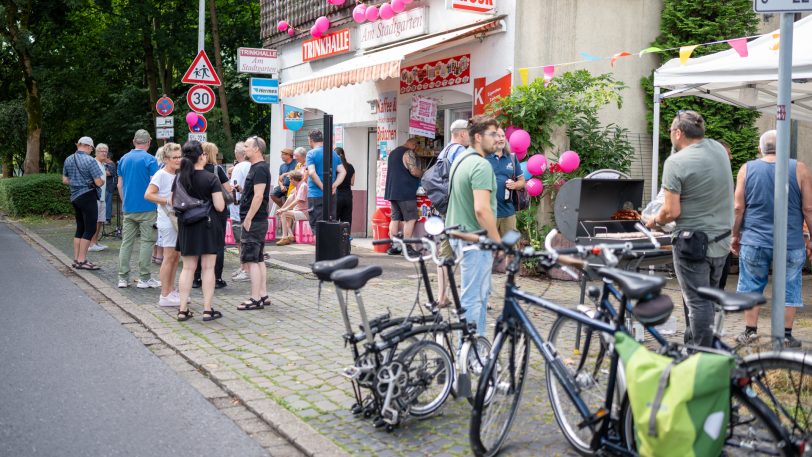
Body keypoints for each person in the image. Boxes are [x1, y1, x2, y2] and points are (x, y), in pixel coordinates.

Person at [646, 110, 734, 347]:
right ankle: (697, 346)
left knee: (697, 303)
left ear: (678, 133)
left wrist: (653, 220)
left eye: (671, 133)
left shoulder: (675, 162)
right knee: (710, 299)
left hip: (694, 244)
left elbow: (672, 212)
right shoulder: (718, 149)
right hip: (722, 241)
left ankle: (701, 358)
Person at [732, 130, 812, 348]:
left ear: (760, 149)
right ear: (785, 146)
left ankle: (750, 332)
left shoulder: (746, 169)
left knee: (751, 285)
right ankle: (786, 335)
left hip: (754, 240)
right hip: (790, 241)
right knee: (790, 285)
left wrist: (734, 234)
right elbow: (808, 208)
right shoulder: (800, 168)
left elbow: (738, 207)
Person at [446, 115, 501, 336]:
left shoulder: (461, 160)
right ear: (478, 137)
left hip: (459, 233)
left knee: (478, 294)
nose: (497, 139)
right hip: (474, 238)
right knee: (474, 298)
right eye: (492, 134)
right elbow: (482, 209)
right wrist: (497, 240)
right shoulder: (480, 165)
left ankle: (476, 348)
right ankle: (469, 354)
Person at [174, 141, 226, 322]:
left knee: (188, 268)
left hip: (187, 226)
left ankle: (182, 309)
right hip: (207, 226)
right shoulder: (210, 178)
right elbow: (220, 206)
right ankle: (207, 309)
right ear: (201, 156)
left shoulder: (179, 177)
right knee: (208, 268)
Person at [117, 129, 161, 289]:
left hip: (128, 207)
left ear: (134, 141)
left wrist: (125, 202)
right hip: (147, 207)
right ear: (148, 142)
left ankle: (122, 278)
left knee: (126, 243)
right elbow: (154, 185)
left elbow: (119, 185)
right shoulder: (150, 160)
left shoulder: (123, 159)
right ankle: (144, 278)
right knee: (146, 242)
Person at [436, 119, 471, 307]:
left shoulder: (445, 150)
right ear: (462, 134)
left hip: (444, 208)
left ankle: (442, 296)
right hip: (456, 209)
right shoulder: (460, 152)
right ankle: (467, 299)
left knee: (445, 252)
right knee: (466, 252)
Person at [144, 142, 183, 307]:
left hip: (176, 219)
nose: (178, 159)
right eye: (174, 157)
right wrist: (167, 200)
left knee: (175, 257)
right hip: (167, 221)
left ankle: (171, 289)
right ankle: (164, 294)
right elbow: (148, 194)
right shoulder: (161, 174)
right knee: (168, 257)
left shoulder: (177, 174)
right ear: (166, 158)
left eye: (180, 156)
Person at [236, 136, 272, 311]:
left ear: (257, 149)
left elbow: (259, 196)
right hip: (257, 219)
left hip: (255, 220)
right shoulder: (258, 168)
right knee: (258, 259)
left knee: (251, 259)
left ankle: (255, 298)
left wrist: (248, 218)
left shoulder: (259, 169)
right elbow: (255, 194)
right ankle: (263, 295)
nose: (245, 148)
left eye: (247, 146)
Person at [192, 142, 231, 289]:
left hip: (197, 211)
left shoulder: (193, 170)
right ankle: (217, 278)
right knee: (218, 244)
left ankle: (196, 279)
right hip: (216, 211)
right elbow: (227, 189)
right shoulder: (217, 169)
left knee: (199, 244)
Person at [486, 127, 526, 273]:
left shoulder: (512, 158)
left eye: (503, 135)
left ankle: (511, 279)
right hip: (489, 212)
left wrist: (515, 185)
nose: (502, 138)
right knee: (486, 247)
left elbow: (522, 181)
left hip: (508, 212)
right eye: (498, 136)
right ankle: (484, 279)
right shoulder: (484, 157)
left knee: (511, 246)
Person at [62, 136, 104, 270]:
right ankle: (82, 260)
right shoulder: (90, 160)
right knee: (90, 228)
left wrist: (76, 183)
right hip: (87, 196)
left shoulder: (68, 159)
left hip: (74, 197)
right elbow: (98, 182)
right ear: (88, 146)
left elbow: (65, 180)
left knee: (80, 227)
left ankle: (76, 259)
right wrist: (99, 182)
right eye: (92, 148)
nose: (91, 151)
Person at [384, 138, 422, 256]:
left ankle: (395, 246)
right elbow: (414, 171)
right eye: (415, 147)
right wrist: (425, 173)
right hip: (405, 191)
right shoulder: (408, 152)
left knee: (395, 219)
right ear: (413, 145)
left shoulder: (394, 152)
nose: (415, 150)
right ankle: (407, 247)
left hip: (393, 191)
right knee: (410, 219)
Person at [305, 129, 346, 235]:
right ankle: (329, 249)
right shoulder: (333, 153)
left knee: (317, 225)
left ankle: (320, 250)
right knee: (330, 223)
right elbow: (343, 172)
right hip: (331, 195)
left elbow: (312, 172)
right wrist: (334, 185)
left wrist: (323, 186)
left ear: (311, 140)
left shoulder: (311, 154)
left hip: (315, 195)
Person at [229, 141, 251, 283]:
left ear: (238, 154)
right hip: (245, 206)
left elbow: (233, 188)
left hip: (238, 208)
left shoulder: (239, 167)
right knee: (243, 239)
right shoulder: (251, 166)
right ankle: (243, 267)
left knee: (241, 240)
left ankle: (245, 268)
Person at [276, 171, 309, 246]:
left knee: (284, 213)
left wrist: (284, 209)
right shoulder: (297, 187)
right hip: (298, 211)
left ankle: (284, 237)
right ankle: (290, 235)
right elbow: (290, 199)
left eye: (290, 179)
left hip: (304, 212)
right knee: (283, 213)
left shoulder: (303, 186)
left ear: (294, 179)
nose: (290, 181)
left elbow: (298, 200)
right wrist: (283, 208)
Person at [88, 143, 110, 252]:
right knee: (95, 221)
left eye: (106, 151)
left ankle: (95, 242)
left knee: (100, 220)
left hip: (102, 197)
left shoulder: (102, 164)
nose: (104, 153)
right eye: (101, 151)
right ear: (96, 152)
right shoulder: (94, 163)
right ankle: (91, 243)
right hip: (94, 196)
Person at [335, 147, 355, 233]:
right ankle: (346, 240)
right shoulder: (350, 166)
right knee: (347, 220)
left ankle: (335, 240)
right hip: (348, 196)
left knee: (334, 220)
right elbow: (352, 182)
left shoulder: (335, 167)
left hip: (337, 195)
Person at [103, 150, 117, 223]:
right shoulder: (105, 164)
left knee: (108, 203)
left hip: (109, 186)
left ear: (108, 157)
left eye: (104, 157)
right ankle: (104, 218)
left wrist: (101, 168)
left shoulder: (111, 164)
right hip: (105, 186)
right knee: (104, 203)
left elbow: (109, 173)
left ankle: (107, 219)